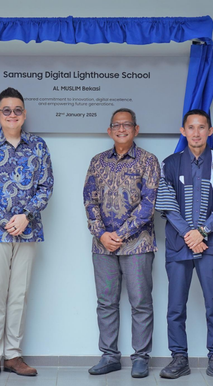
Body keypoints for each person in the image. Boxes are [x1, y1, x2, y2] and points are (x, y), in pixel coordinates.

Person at [0, 87, 54, 380]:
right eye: (6, 110)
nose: (12, 114)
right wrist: (7, 220)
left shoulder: (38, 146)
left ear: (24, 114)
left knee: (19, 295)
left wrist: (25, 217)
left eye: (17, 109)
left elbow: (46, 186)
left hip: (28, 231)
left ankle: (13, 355)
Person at [155, 109, 213, 381]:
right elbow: (167, 207)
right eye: (190, 128)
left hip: (212, 245)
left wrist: (202, 232)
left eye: (201, 127)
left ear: (210, 131)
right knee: (175, 305)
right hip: (179, 245)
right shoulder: (170, 163)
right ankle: (178, 358)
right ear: (183, 131)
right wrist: (190, 234)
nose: (196, 133)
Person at [83, 108, 160, 379]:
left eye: (127, 125)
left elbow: (148, 205)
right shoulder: (97, 162)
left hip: (137, 245)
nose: (122, 129)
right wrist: (102, 234)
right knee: (106, 302)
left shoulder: (148, 161)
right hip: (102, 246)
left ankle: (140, 358)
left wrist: (121, 234)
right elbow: (89, 201)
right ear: (109, 130)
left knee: (140, 302)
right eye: (117, 125)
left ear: (136, 130)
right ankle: (109, 356)